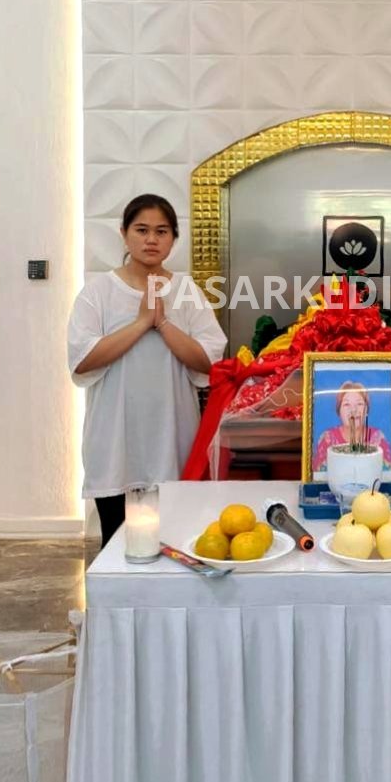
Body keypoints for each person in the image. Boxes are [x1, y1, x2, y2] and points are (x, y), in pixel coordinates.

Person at [68, 194, 227, 546]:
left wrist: (164, 323)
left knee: (176, 541)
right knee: (116, 544)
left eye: (162, 231)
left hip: (172, 437)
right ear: (124, 233)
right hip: (114, 440)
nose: (151, 239)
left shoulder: (187, 291)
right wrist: (141, 322)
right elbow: (82, 359)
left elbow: (210, 362)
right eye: (141, 230)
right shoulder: (98, 292)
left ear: (173, 238)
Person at [312, 380, 391, 474]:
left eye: (359, 404)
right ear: (339, 411)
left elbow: (388, 474)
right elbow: (319, 475)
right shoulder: (328, 438)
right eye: (347, 404)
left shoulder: (378, 438)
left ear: (367, 410)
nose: (353, 410)